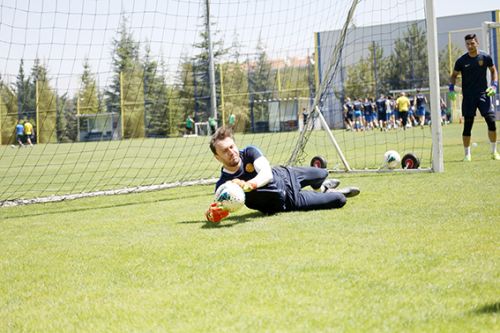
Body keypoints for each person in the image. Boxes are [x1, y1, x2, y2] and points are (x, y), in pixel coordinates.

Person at [205, 127, 360, 223]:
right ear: (217, 157)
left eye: (232, 146)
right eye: (225, 150)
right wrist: (212, 215)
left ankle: (321, 187)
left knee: (323, 172)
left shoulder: (250, 152)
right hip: (289, 202)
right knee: (340, 200)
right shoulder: (224, 186)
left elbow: (266, 174)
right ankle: (327, 192)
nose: (231, 152)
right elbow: (220, 208)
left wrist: (249, 185)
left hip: (288, 174)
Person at [449, 33, 499, 161]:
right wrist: (451, 88)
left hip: (484, 95)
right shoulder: (461, 61)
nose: (470, 46)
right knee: (468, 125)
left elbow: (493, 70)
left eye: (472, 43)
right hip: (468, 97)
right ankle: (467, 155)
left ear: (477, 43)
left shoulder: (485, 57)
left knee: (491, 122)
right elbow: (454, 75)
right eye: (467, 44)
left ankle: (494, 152)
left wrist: (494, 85)